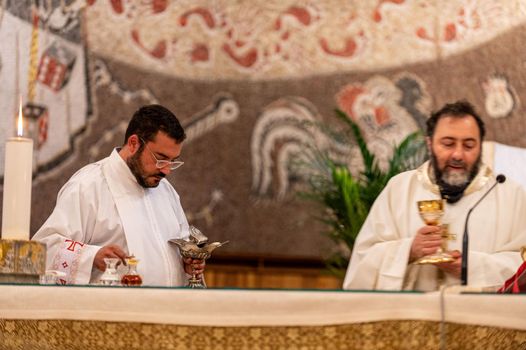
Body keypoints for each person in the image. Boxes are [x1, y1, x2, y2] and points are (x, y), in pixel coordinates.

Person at [343, 100, 526, 291]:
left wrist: (470, 267)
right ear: (429, 144)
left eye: (469, 145)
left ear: (480, 147)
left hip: (477, 316)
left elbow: (522, 266)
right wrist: (408, 251)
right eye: (448, 144)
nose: (458, 154)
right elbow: (363, 262)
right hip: (411, 315)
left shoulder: (509, 194)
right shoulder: (399, 189)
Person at [33, 105, 204, 286]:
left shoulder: (166, 191)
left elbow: (184, 246)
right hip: (109, 311)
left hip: (167, 310)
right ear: (133, 143)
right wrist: (91, 256)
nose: (167, 170)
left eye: (172, 161)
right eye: (160, 159)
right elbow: (44, 249)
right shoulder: (88, 186)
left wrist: (187, 263)